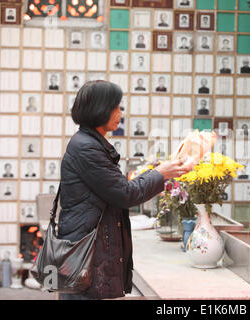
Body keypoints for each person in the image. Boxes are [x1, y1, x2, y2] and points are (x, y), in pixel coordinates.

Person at [58, 80, 190, 300]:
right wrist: (161, 173)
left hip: (87, 255)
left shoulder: (90, 142)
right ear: (99, 109)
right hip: (85, 258)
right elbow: (126, 194)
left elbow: (120, 188)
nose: (120, 113)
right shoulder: (87, 147)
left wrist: (160, 172)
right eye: (116, 107)